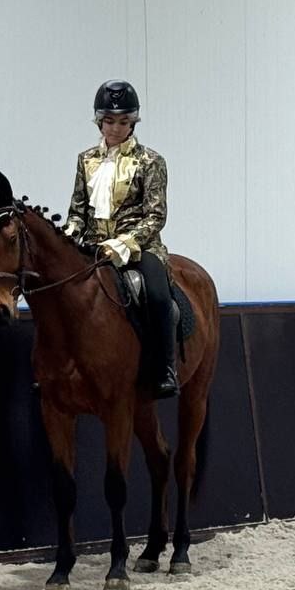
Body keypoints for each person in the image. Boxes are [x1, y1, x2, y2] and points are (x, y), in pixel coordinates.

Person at [64, 79, 178, 398]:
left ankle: (165, 368)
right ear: (99, 122)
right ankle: (57, 369)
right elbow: (77, 210)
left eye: (123, 122)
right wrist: (69, 235)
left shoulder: (151, 161)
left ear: (132, 123)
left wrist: (123, 244)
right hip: (93, 246)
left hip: (140, 249)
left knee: (158, 296)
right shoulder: (85, 159)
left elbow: (155, 216)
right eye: (109, 121)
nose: (115, 128)